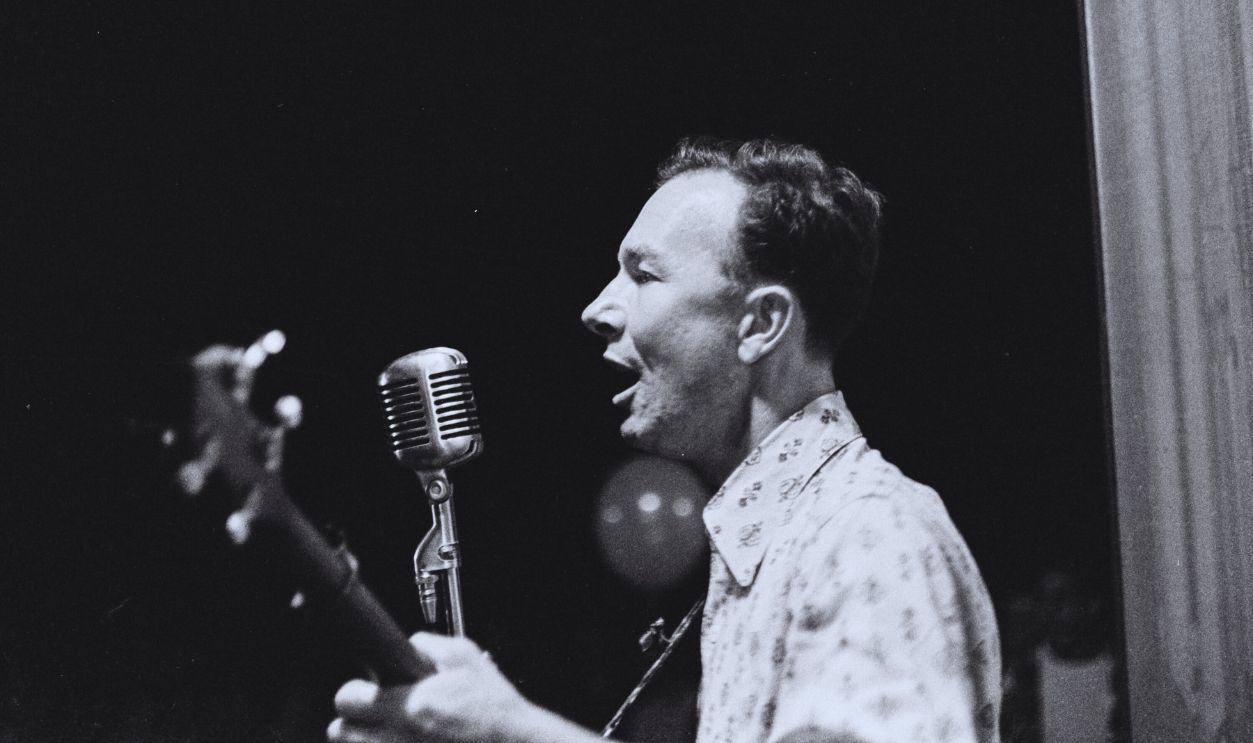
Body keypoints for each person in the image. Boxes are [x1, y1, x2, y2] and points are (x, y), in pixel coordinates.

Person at [327, 138, 1001, 743]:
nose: (596, 309)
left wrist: (507, 730)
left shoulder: (865, 536)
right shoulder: (778, 548)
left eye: (643, 275)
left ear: (760, 322)